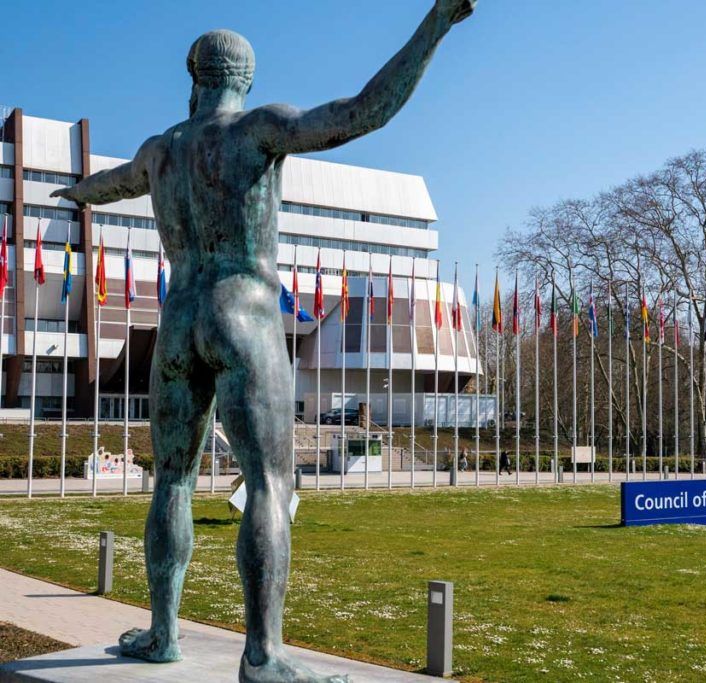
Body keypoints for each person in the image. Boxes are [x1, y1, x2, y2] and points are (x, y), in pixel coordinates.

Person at [51, 3, 476, 680]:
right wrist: (436, 24)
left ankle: (163, 632)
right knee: (272, 483)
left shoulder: (162, 150)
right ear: (244, 80)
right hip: (243, 313)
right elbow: (365, 111)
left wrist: (73, 191)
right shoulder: (258, 128)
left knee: (172, 480)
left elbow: (109, 188)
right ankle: (263, 651)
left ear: (194, 78)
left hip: (180, 315)